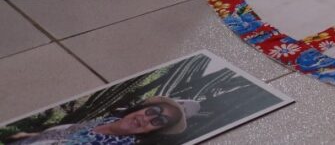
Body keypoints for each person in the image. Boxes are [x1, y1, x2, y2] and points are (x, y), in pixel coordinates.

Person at [7, 96, 199, 144]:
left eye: (158, 121)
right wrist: (28, 135)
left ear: (152, 131)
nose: (147, 118)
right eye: (154, 110)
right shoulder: (107, 120)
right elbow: (68, 130)